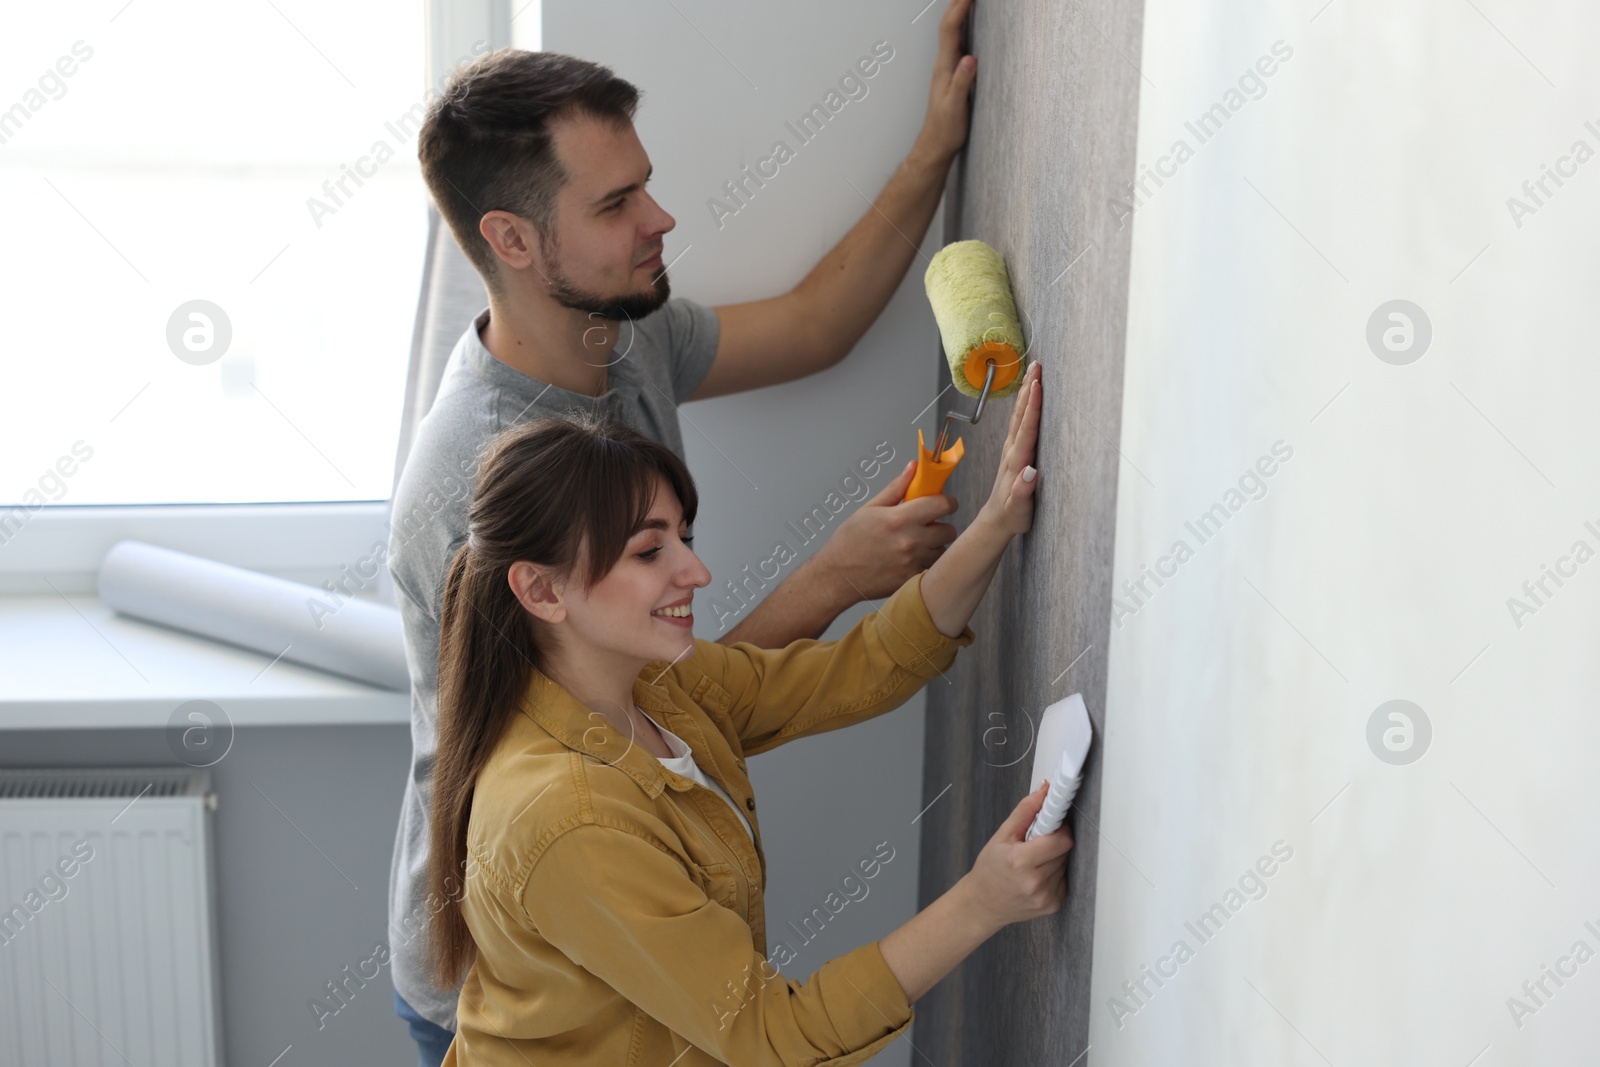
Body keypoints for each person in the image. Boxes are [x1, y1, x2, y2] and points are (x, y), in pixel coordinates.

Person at [389, 1, 983, 1059]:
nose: (660, 220)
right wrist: (833, 578)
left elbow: (814, 324)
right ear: (513, 240)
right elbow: (625, 710)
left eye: (644, 183)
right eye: (617, 203)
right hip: (522, 973)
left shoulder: (620, 329)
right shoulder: (472, 485)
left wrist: (936, 144)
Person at [424, 363, 1066, 1066]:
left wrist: (999, 519)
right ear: (540, 590)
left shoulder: (655, 684)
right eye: (648, 550)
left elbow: (860, 670)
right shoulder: (563, 817)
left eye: (683, 539)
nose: (695, 574)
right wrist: (983, 900)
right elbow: (771, 1034)